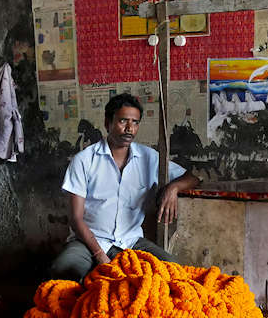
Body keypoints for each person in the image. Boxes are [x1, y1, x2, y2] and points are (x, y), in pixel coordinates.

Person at [50, 93, 200, 281]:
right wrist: (99, 255)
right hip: (89, 242)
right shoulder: (84, 160)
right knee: (64, 272)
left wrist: (173, 188)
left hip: (130, 241)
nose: (130, 128)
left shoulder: (148, 158)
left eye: (135, 122)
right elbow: (76, 218)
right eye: (123, 121)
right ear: (107, 123)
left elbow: (193, 178)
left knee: (175, 271)